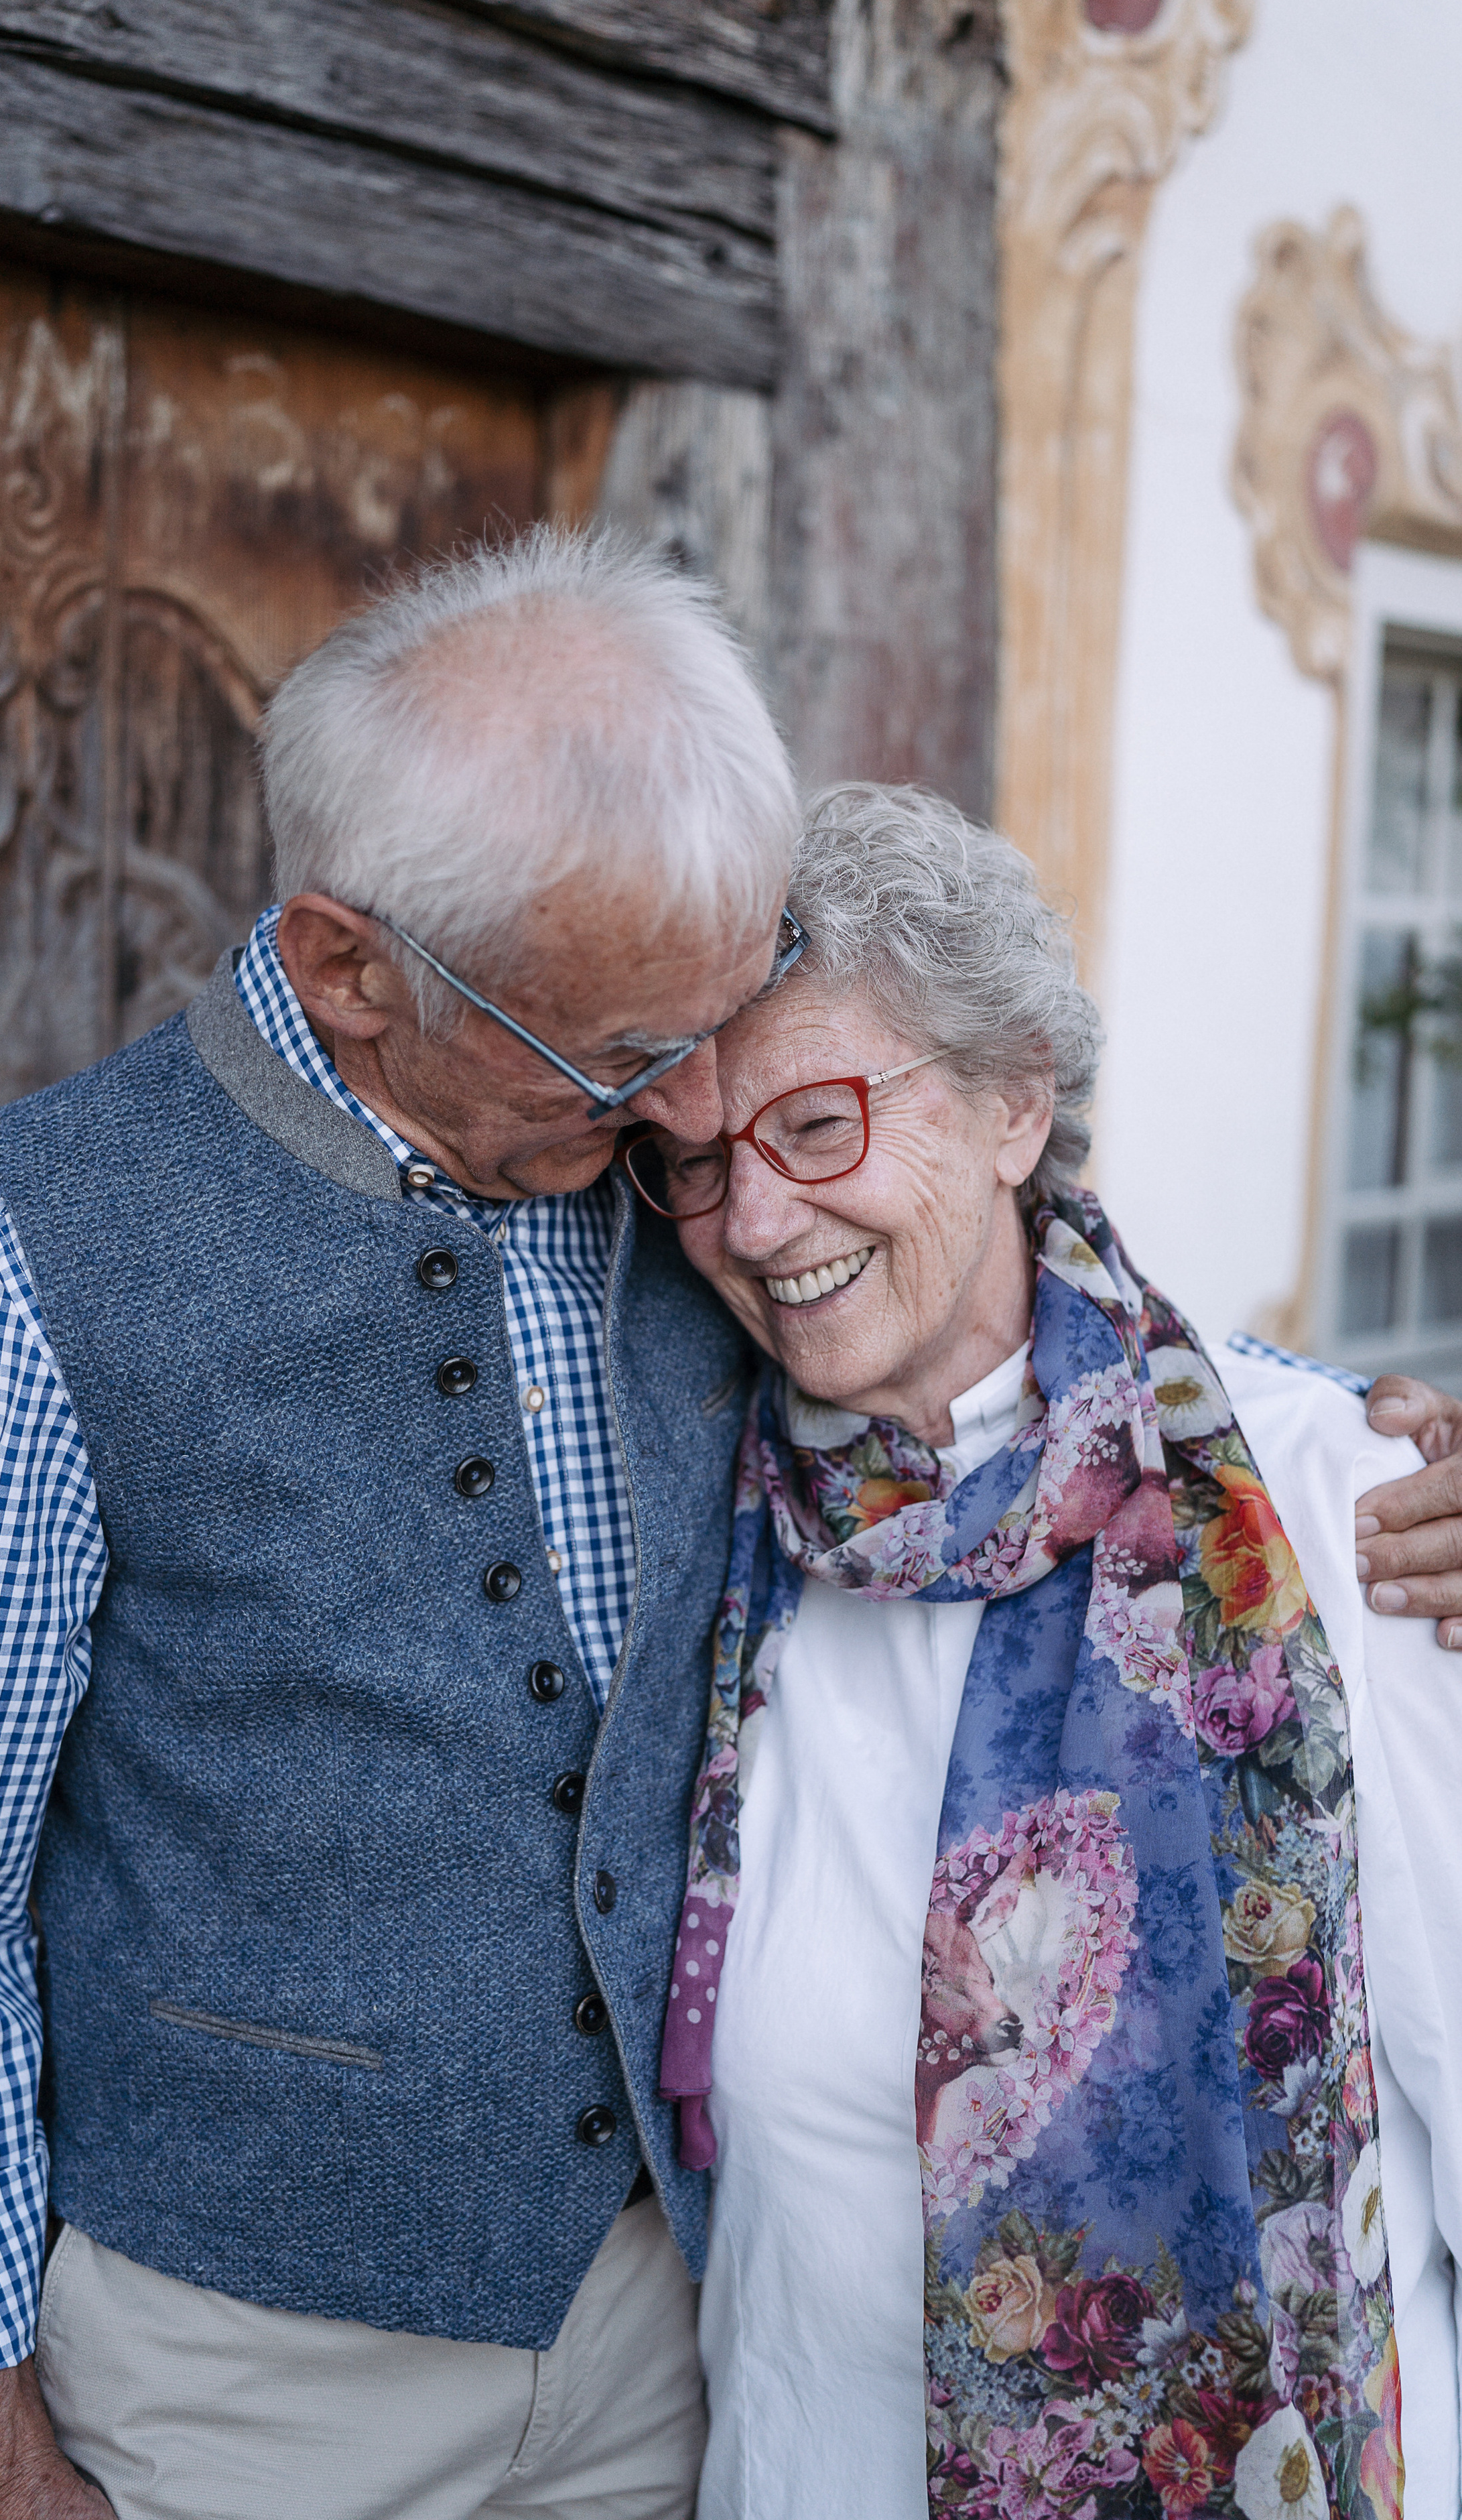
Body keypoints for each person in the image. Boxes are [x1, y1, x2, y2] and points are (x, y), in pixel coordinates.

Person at [0, 528, 805, 2520]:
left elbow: (1003, 1295)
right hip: (235, 2382)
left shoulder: (711, 1140)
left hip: (690, 2314)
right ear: (351, 966)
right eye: (616, 1064)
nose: (698, 1118)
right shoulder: (50, 1243)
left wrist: (1326, 1447)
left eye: (724, 1018)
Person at [625, 784, 1461, 2519]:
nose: (757, 1223)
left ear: (1016, 1101)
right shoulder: (711, 1529)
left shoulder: (1337, 1516)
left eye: (820, 1123)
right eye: (697, 1160)